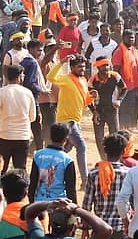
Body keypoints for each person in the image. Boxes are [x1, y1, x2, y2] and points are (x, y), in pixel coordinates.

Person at [46, 55, 98, 183]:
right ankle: (85, 181)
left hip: (76, 120)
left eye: (83, 66)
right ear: (72, 67)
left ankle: (49, 172)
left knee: (65, 149)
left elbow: (84, 101)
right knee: (81, 146)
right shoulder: (66, 78)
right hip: (67, 120)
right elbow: (50, 77)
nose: (82, 69)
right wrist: (61, 62)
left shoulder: (83, 80)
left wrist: (91, 97)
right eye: (79, 67)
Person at [0, 64, 36, 171]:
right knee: (20, 169)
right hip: (23, 136)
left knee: (0, 169)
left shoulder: (0, 92)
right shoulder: (28, 93)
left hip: (5, 136)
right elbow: (33, 117)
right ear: (19, 77)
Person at [83, 134, 130, 238]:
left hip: (100, 228)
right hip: (122, 229)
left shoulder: (94, 174)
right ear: (123, 152)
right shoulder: (129, 174)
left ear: (105, 150)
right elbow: (134, 203)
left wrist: (85, 229)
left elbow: (87, 205)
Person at [29, 122, 77, 203]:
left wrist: (32, 204)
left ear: (51, 137)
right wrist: (74, 207)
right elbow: (71, 190)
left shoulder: (38, 155)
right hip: (59, 204)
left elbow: (32, 182)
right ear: (65, 139)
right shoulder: (67, 160)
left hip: (39, 203)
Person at [87, 58, 126, 155]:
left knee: (115, 135)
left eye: (107, 65)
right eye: (103, 65)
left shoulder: (115, 76)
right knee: (99, 138)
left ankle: (115, 157)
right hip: (99, 111)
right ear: (98, 67)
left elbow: (124, 88)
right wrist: (94, 112)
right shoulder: (93, 80)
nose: (106, 68)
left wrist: (119, 100)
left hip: (112, 110)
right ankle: (103, 158)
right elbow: (88, 98)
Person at [24, 198, 112, 239]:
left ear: (51, 224)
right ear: (72, 227)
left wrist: (50, 204)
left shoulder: (38, 237)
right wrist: (76, 209)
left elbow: (29, 212)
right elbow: (106, 230)